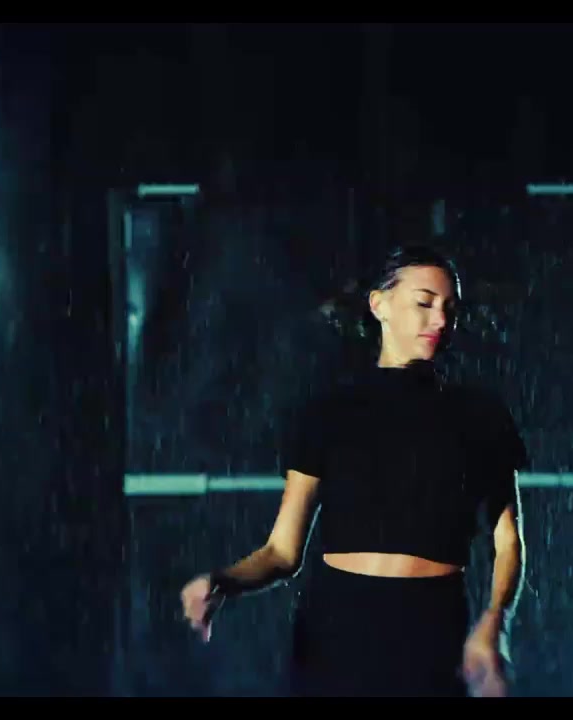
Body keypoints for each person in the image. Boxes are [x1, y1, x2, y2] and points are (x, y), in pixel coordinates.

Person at [179, 244, 528, 697]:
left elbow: (508, 542)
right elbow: (282, 552)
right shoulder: (329, 413)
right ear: (379, 305)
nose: (440, 320)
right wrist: (222, 581)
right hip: (336, 627)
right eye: (424, 303)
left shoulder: (481, 416)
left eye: (450, 309)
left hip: (433, 626)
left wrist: (495, 622)